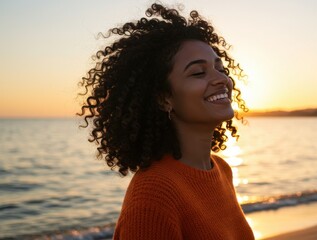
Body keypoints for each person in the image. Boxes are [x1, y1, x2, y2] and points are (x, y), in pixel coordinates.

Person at [78, 3, 254, 239]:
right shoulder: (154, 194)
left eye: (219, 68)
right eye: (198, 73)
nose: (221, 79)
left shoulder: (222, 169)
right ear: (164, 98)